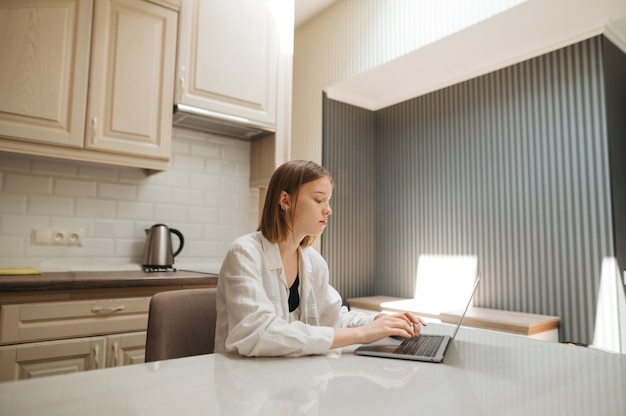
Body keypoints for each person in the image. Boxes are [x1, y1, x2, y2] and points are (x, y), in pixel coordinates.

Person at [214, 160, 425, 357]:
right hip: (243, 383)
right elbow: (258, 332)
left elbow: (333, 317)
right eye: (318, 199)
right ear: (285, 199)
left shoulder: (313, 262)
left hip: (293, 379)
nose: (328, 209)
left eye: (328, 200)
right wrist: (363, 334)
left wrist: (379, 322)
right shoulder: (244, 254)